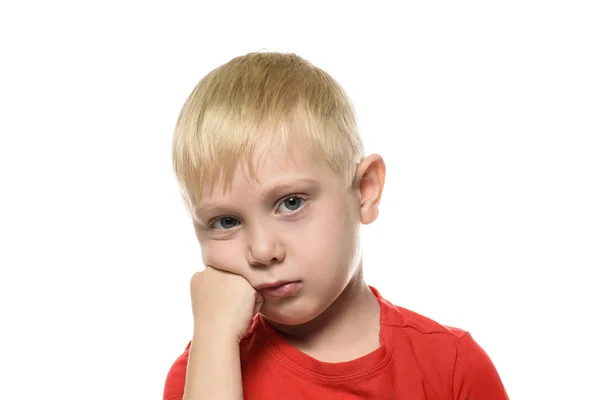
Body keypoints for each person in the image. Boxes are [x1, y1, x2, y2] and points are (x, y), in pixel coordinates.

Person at [163, 52, 509, 400]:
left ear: (364, 191)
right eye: (226, 221)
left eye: (291, 202)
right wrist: (213, 338)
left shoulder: (451, 367)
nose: (263, 251)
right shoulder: (205, 371)